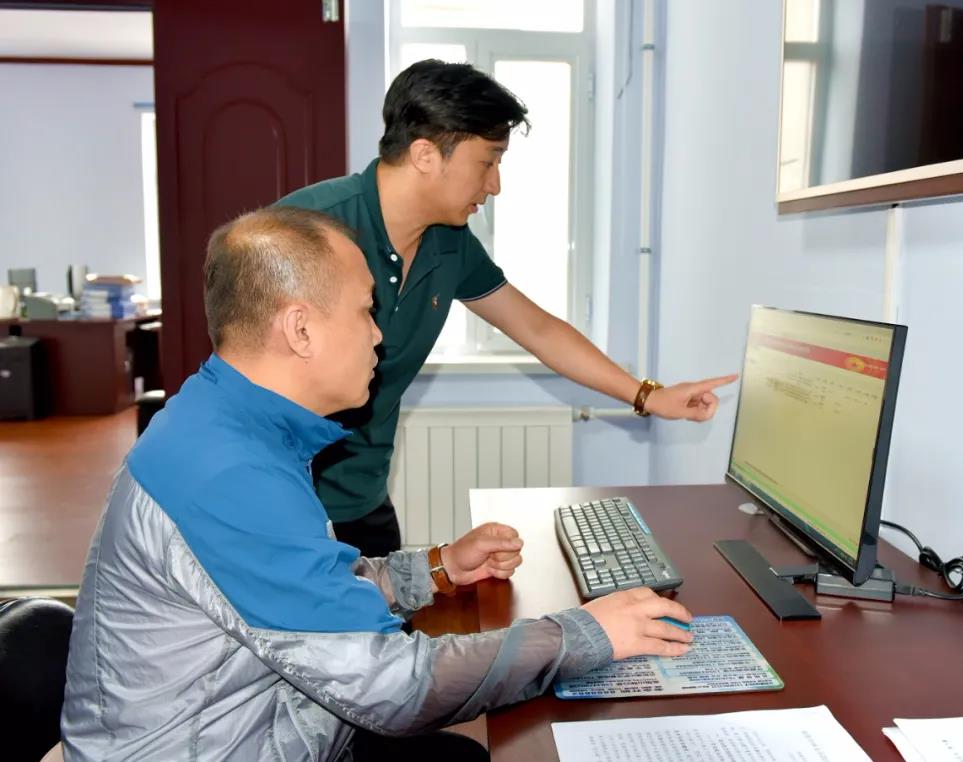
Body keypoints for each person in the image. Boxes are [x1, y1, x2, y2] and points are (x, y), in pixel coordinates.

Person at [60, 206, 695, 761]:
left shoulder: (224, 421)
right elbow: (393, 688)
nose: (378, 334)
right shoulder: (228, 474)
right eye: (366, 311)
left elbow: (308, 588)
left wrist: (438, 568)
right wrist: (585, 633)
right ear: (300, 329)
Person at [278, 59, 738, 557]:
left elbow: (537, 329)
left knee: (398, 604)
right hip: (282, 504)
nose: (495, 184)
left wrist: (649, 396)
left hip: (363, 501)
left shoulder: (449, 242)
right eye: (487, 162)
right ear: (426, 154)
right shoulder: (304, 228)